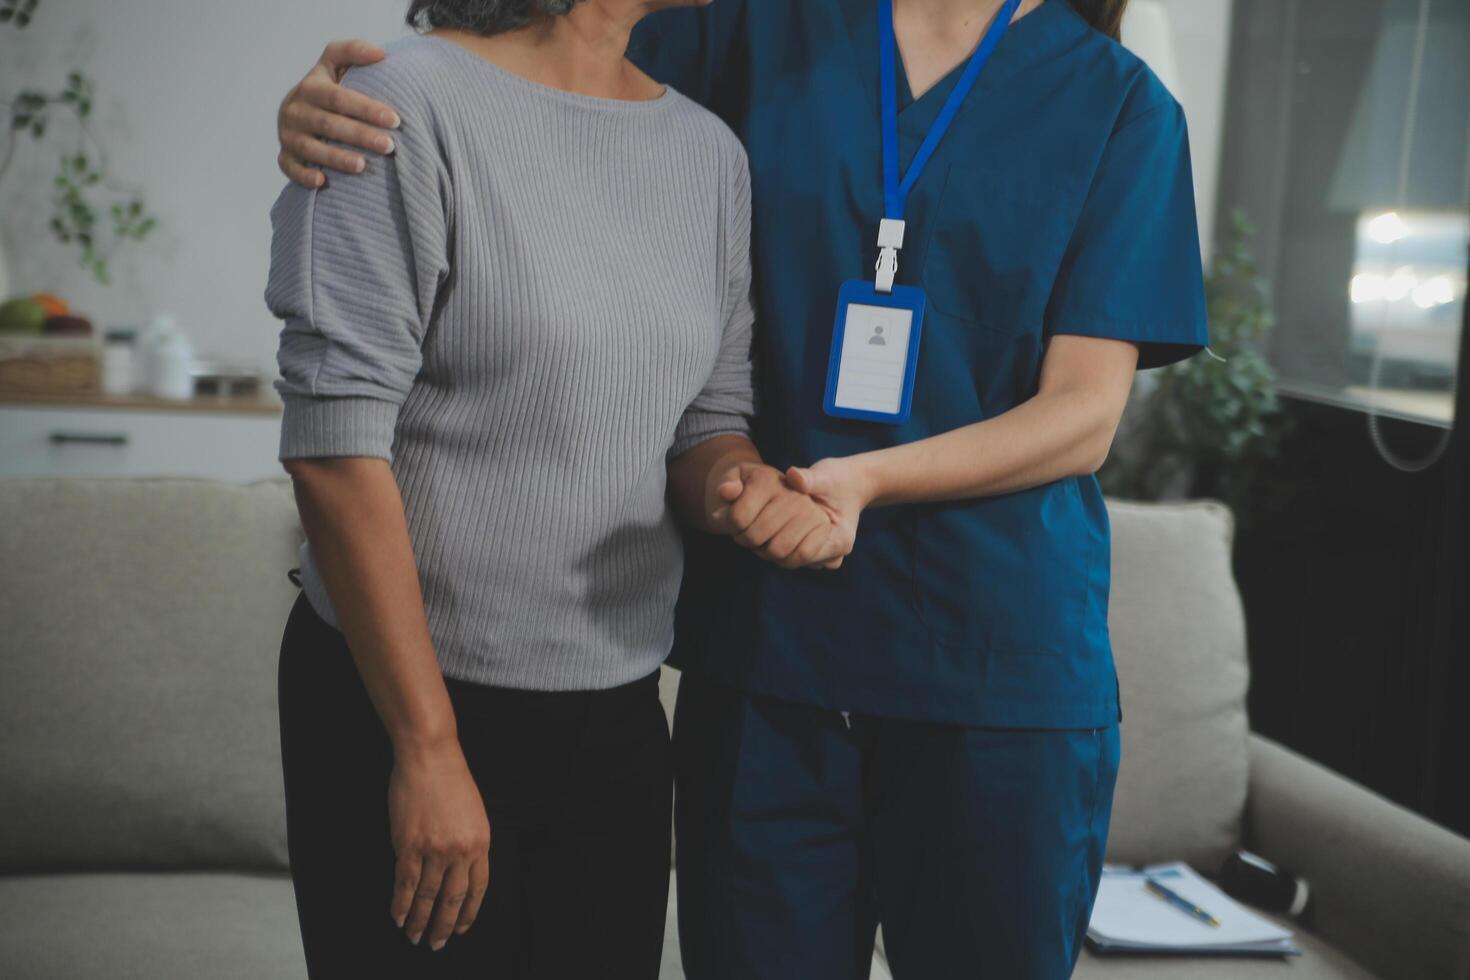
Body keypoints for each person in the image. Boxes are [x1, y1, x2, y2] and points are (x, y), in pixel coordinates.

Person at [274, 0, 1210, 977]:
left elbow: (1085, 415)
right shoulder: (740, 31)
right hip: (770, 653)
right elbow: (539, 67)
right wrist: (326, 109)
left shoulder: (1121, 106)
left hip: (991, 655)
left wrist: (865, 480)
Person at [266, 1, 856, 977]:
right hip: (408, 702)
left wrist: (743, 492)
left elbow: (706, 423)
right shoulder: (396, 102)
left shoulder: (707, 152)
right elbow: (333, 451)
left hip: (617, 712)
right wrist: (427, 746)